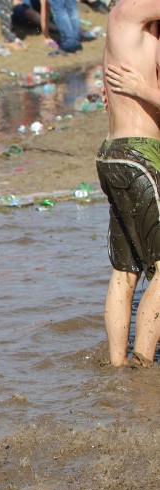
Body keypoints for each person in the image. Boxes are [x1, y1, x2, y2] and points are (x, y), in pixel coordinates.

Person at [95, 1, 160, 366]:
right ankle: (143, 367)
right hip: (141, 157)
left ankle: (117, 370)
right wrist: (146, 91)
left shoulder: (130, 27)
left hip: (114, 154)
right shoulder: (129, 11)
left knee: (126, 271)